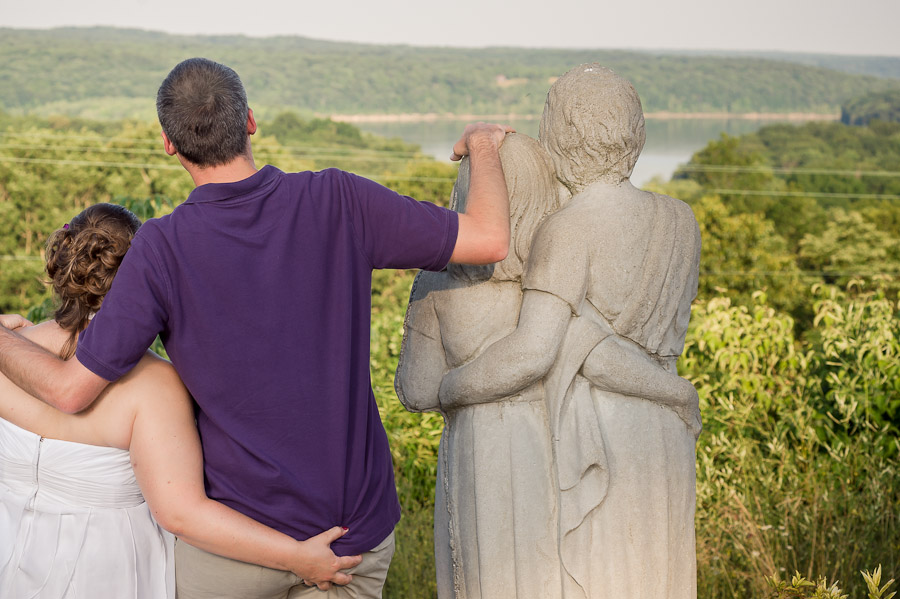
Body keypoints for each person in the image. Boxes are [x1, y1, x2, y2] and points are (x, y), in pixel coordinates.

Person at [0, 58, 512, 598]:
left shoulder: (161, 249)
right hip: (345, 537)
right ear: (250, 121)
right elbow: (488, 239)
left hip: (230, 544)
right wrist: (482, 142)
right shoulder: (338, 200)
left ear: (169, 145)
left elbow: (69, 389)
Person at [0, 203, 362, 598]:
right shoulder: (155, 384)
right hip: (106, 573)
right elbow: (181, 514)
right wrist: (297, 557)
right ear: (142, 278)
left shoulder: (11, 349)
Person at [437, 65, 702, 599]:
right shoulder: (681, 220)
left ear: (560, 135)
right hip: (664, 436)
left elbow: (534, 353)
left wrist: (452, 388)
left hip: (596, 438)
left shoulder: (567, 228)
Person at [396, 134, 563, 599]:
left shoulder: (438, 282)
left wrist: (455, 383)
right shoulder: (553, 277)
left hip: (475, 443)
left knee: (475, 571)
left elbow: (417, 390)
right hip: (548, 440)